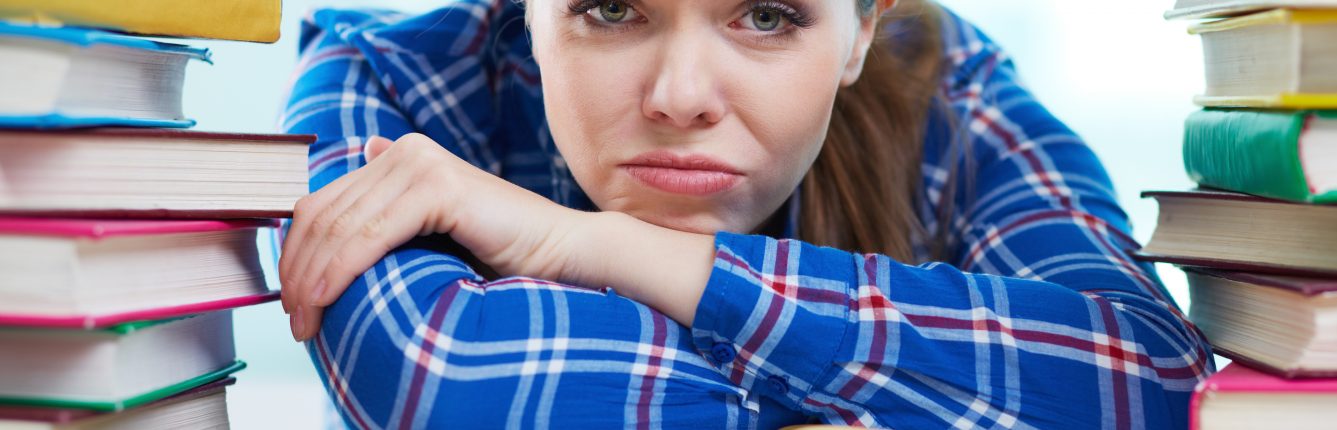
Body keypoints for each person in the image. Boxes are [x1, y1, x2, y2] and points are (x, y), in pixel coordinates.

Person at [277, 0, 1213, 428]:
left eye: (766, 15)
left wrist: (596, 245)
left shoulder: (946, 86)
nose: (681, 97)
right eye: (612, 8)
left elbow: (1153, 381)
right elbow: (445, 381)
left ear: (862, 29)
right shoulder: (389, 81)